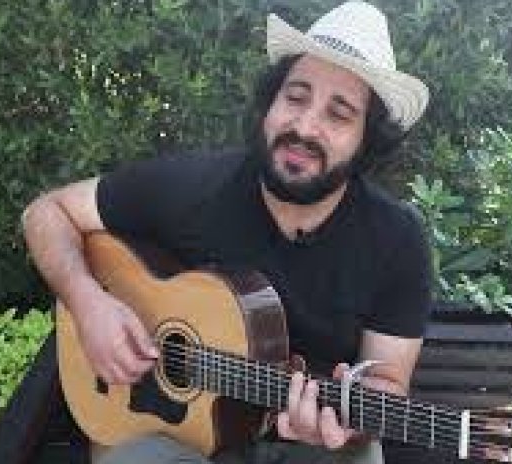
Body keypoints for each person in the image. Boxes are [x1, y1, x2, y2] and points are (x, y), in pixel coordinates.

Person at [22, 2, 433, 463]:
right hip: (172, 436)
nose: (304, 126)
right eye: (296, 97)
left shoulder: (396, 240)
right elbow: (47, 212)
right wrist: (88, 304)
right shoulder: (193, 187)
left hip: (317, 448)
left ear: (366, 142)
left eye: (339, 114)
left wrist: (346, 428)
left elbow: (387, 383)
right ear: (270, 104)